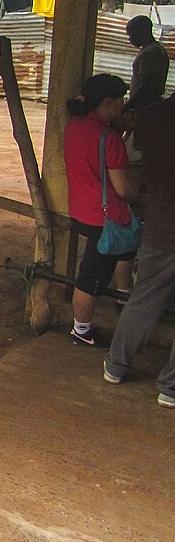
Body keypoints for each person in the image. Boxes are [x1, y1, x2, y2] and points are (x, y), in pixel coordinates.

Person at [103, 92, 175, 408]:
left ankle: (116, 366)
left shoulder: (152, 116)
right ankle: (170, 388)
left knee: (143, 299)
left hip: (161, 224)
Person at [63, 74, 135, 347]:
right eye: (121, 100)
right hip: (105, 218)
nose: (124, 105)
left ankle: (123, 294)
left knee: (115, 254)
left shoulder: (74, 126)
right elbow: (123, 189)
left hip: (80, 210)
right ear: (108, 102)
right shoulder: (109, 139)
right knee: (91, 277)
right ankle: (81, 331)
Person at [124, 15, 169, 115]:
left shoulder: (148, 54)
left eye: (131, 35)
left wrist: (126, 106)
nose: (130, 39)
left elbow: (146, 85)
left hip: (145, 109)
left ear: (141, 32)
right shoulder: (158, 49)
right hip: (151, 107)